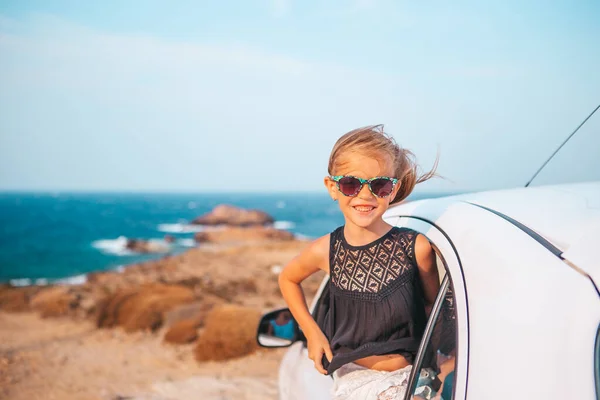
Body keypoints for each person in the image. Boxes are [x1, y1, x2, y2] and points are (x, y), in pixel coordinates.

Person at [278, 125, 440, 399]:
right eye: (351, 184)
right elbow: (288, 278)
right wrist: (312, 332)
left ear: (393, 189)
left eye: (379, 185)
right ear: (333, 187)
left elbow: (437, 313)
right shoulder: (326, 249)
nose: (365, 196)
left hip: (408, 380)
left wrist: (445, 367)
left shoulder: (416, 248)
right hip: (351, 383)